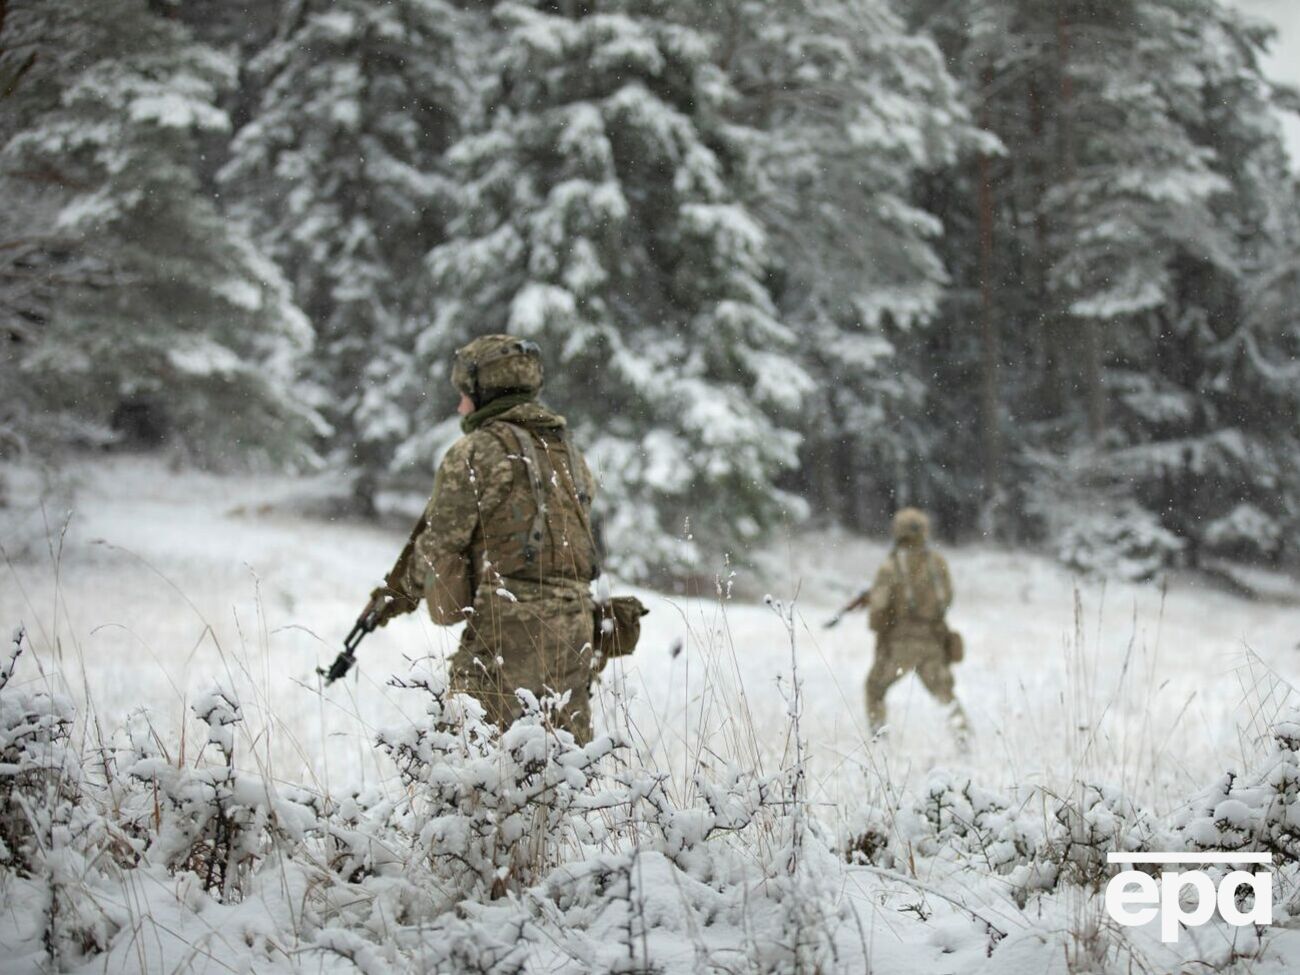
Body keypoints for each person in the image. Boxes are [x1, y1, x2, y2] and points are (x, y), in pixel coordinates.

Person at [385, 334, 600, 742]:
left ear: (484, 393)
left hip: (509, 625)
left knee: (469, 759)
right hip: (576, 628)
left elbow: (440, 543)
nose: (460, 405)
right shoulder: (568, 451)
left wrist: (398, 595)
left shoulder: (477, 450)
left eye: (465, 394)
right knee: (566, 764)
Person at [864, 508, 968, 741]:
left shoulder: (891, 566)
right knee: (945, 694)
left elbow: (878, 608)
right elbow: (947, 597)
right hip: (933, 640)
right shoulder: (936, 562)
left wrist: (881, 629)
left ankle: (879, 743)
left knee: (874, 688)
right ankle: (964, 740)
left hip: (900, 643)